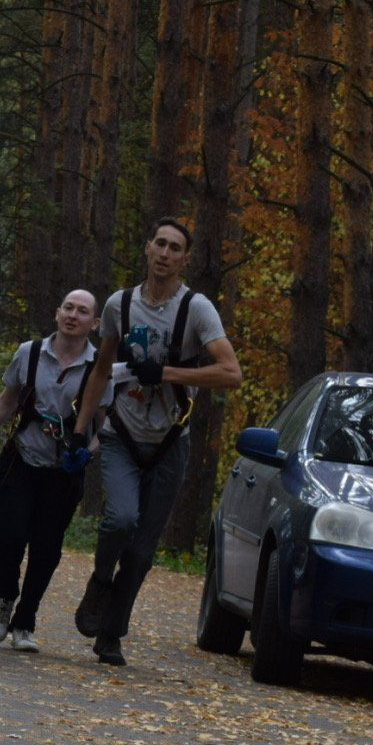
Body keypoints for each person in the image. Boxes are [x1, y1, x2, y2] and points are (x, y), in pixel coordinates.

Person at [69, 218, 244, 666]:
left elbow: (231, 373)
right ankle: (101, 579)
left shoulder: (197, 309)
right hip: (122, 434)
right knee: (121, 519)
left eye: (175, 248)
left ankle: (110, 634)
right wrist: (80, 429)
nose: (165, 254)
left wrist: (167, 373)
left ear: (185, 259)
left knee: (144, 550)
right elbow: (102, 369)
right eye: (160, 244)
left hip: (171, 440)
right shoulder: (119, 305)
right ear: (147, 250)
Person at [0, 290, 109, 653]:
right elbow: (7, 400)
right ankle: (5, 596)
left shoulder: (101, 367)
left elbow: (108, 428)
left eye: (82, 311)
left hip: (63, 471)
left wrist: (87, 455)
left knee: (46, 548)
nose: (73, 315)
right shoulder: (29, 353)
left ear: (94, 323)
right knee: (10, 538)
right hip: (22, 459)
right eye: (68, 307)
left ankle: (25, 620)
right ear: (57, 312)